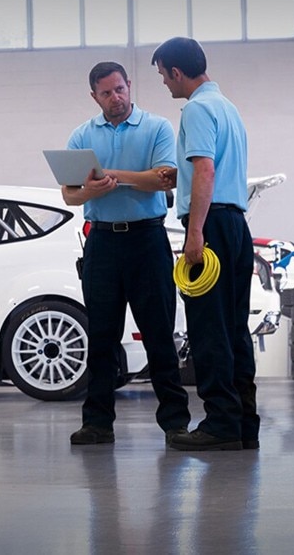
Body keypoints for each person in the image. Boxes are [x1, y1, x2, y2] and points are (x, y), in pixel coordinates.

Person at [63, 62, 191, 446]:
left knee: (158, 335)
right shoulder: (81, 137)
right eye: (106, 93)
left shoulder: (156, 128)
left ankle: (176, 424)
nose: (115, 98)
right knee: (101, 336)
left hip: (147, 242)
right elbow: (70, 194)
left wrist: (111, 176)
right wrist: (93, 192)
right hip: (102, 243)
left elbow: (164, 177)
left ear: (129, 86)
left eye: (120, 89)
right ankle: (97, 423)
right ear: (94, 96)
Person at [152, 37, 257, 452]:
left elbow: (206, 171)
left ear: (177, 72)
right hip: (235, 225)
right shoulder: (227, 108)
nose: (164, 83)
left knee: (209, 328)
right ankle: (245, 423)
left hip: (211, 225)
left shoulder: (195, 109)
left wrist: (194, 233)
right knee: (234, 329)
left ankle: (220, 424)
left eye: (163, 75)